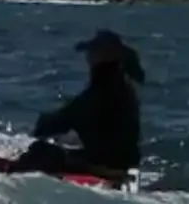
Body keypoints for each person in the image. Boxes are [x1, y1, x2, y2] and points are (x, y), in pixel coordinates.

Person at [10, 29, 144, 180]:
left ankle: (11, 173)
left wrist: (44, 123)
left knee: (39, 151)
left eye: (92, 51)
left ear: (102, 55)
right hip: (122, 162)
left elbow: (68, 117)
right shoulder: (123, 86)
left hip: (105, 165)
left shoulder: (104, 88)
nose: (88, 56)